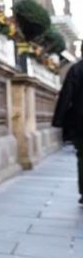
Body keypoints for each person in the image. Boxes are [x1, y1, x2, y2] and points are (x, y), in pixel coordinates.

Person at [52, 59, 83, 204]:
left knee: (82, 157)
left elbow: (66, 95)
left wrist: (58, 119)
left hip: (80, 121)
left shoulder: (76, 69)